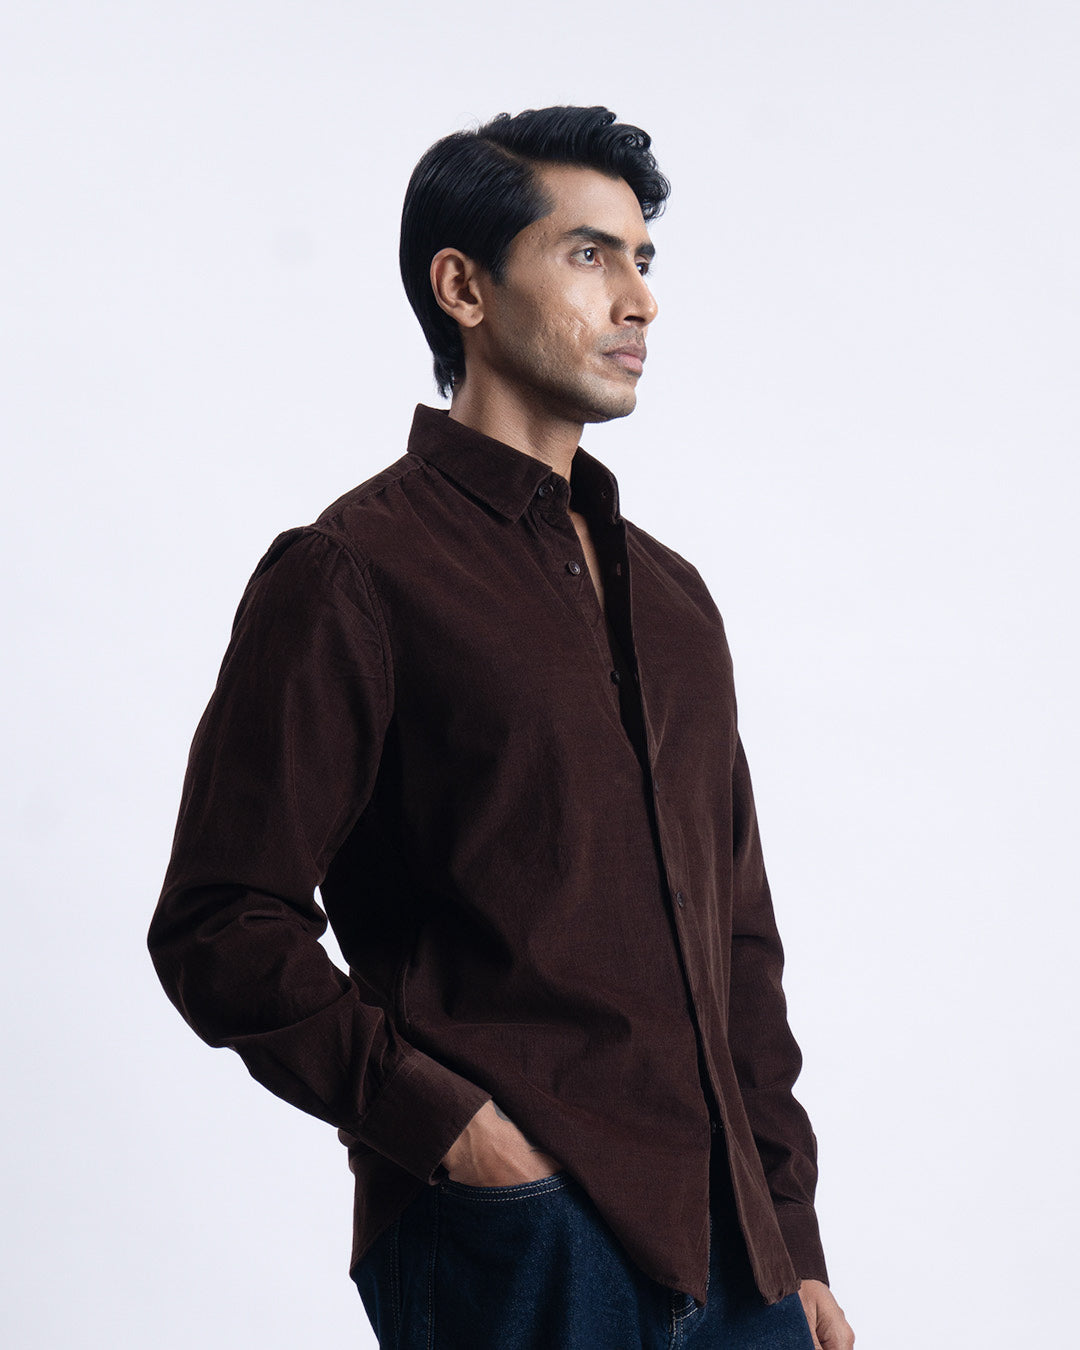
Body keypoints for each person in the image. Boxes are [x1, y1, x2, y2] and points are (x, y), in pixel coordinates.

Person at [148, 105, 855, 1349]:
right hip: (523, 1242)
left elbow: (739, 941)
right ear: (463, 288)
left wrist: (792, 1242)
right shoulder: (354, 572)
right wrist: (458, 1136)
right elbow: (220, 922)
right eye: (590, 254)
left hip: (740, 1262)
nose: (640, 300)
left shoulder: (677, 600)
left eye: (645, 260)